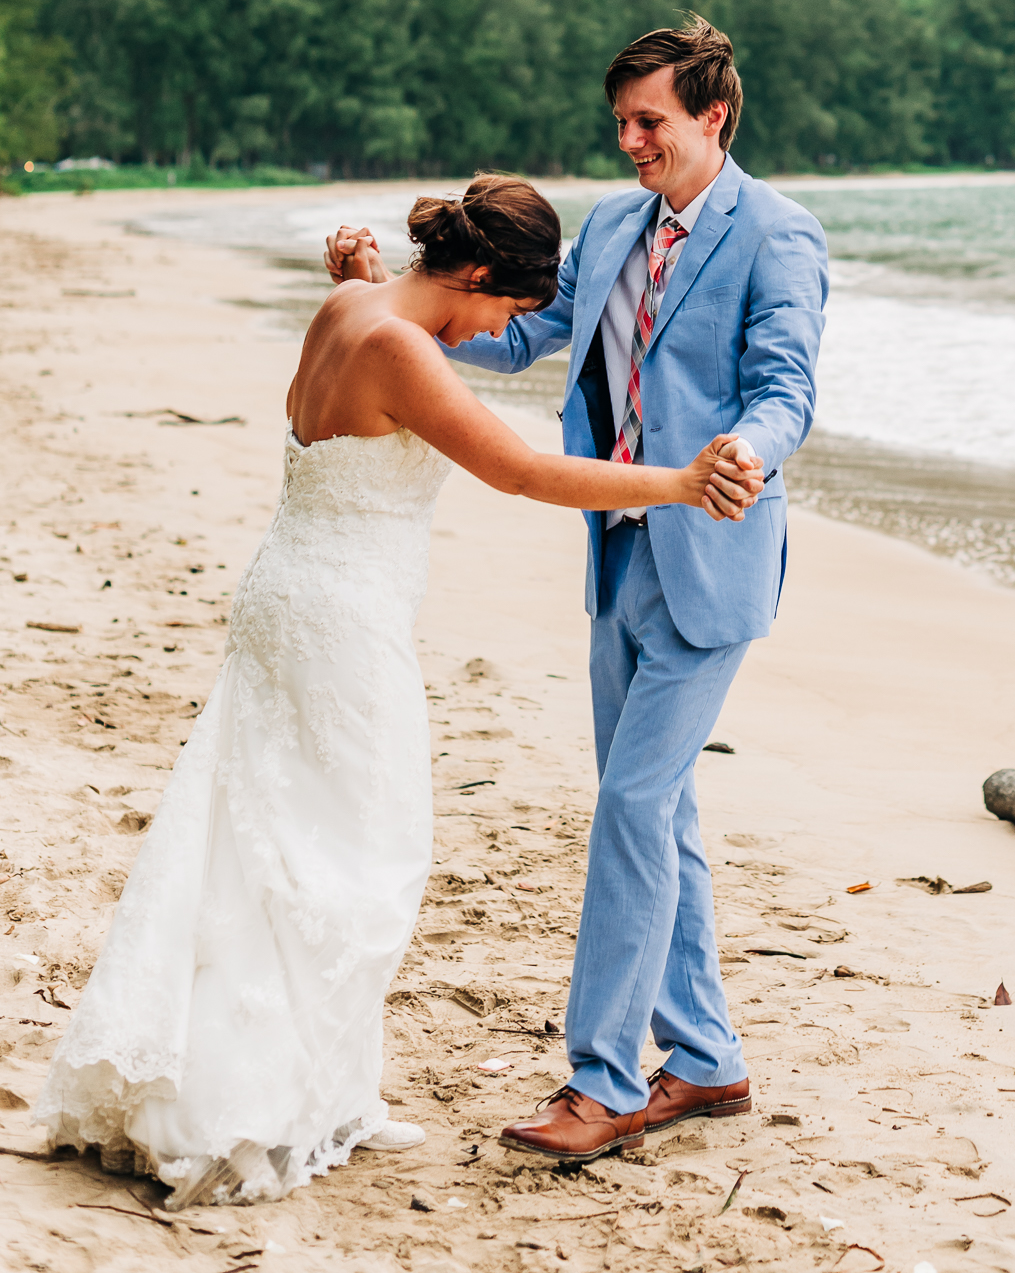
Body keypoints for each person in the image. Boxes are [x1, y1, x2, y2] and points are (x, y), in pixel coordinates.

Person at [36, 174, 759, 1209]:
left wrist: (388, 287)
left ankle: (326, 1094)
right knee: (351, 861)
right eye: (506, 308)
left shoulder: (350, 305)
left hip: (288, 599)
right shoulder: (397, 346)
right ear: (472, 273)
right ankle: (253, 1107)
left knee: (268, 845)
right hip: (339, 627)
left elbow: (398, 370)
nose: (498, 330)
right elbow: (518, 470)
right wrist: (678, 482)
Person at [324, 15, 828, 1165]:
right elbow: (517, 338)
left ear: (714, 114)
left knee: (634, 807)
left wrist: (748, 450)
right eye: (621, 122)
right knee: (660, 809)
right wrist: (400, 296)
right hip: (615, 554)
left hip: (713, 554)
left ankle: (602, 1080)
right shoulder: (609, 224)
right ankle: (703, 1055)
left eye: (649, 121)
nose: (630, 140)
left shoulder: (780, 235)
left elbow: (786, 384)